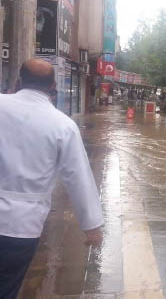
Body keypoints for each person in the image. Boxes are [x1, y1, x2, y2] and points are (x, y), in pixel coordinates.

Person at [0, 59, 104, 299]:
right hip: (21, 228)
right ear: (53, 87)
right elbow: (78, 178)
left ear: (19, 81)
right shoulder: (63, 126)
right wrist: (92, 227)